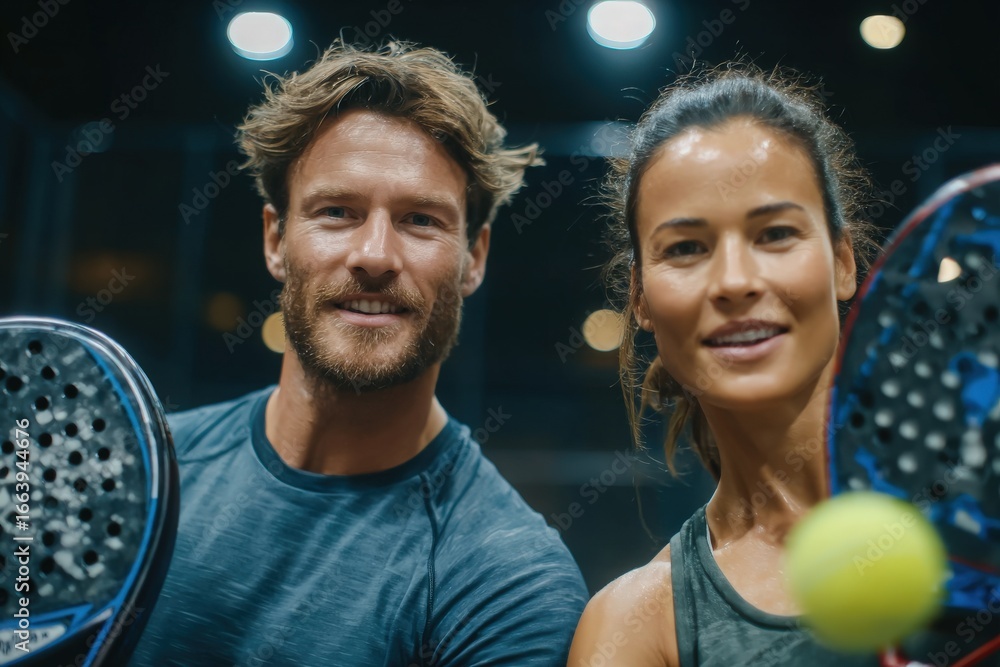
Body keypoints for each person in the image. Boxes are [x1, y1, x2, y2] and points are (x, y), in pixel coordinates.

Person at [129, 40, 588, 666]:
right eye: (337, 211)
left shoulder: (510, 586)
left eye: (421, 219)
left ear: (473, 258)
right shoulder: (140, 477)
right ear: (275, 239)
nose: (374, 255)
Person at [567, 66, 886, 666]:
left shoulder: (981, 504)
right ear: (639, 300)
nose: (735, 281)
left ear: (843, 261)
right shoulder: (633, 627)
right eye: (686, 248)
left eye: (775, 234)